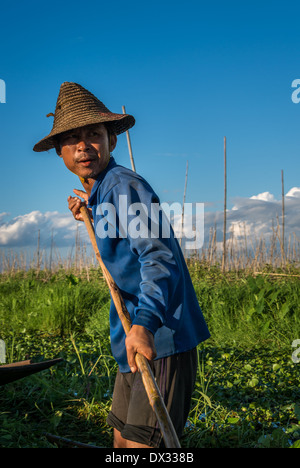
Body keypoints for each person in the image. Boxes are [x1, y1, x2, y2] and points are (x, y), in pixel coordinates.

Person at [33, 82, 210, 448]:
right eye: (73, 138)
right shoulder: (103, 192)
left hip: (158, 335)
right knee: (121, 440)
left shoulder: (123, 187)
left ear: (111, 140)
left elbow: (158, 257)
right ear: (60, 152)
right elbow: (125, 241)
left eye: (94, 134)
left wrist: (144, 325)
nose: (84, 145)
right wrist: (91, 212)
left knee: (143, 448)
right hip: (130, 335)